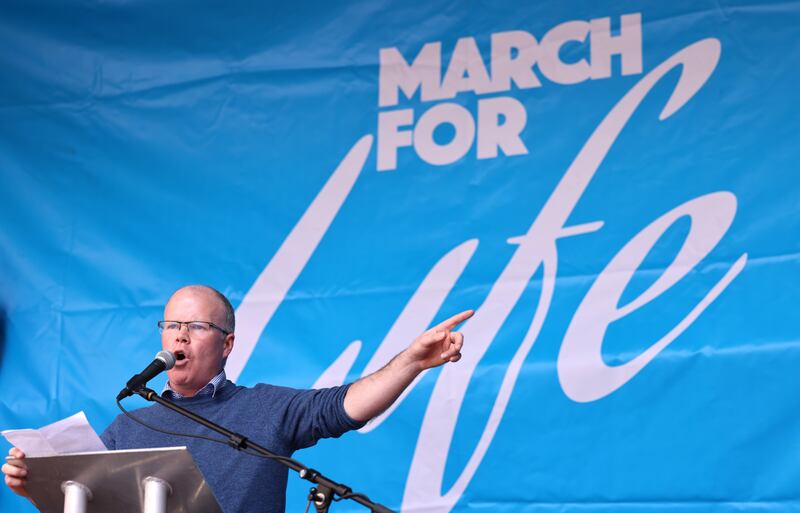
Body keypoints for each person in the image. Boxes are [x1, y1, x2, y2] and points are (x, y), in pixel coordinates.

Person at [3, 285, 472, 512]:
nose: (180, 336)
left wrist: (410, 360)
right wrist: (37, 483)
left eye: (196, 326)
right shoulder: (128, 426)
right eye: (171, 325)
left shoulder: (265, 408)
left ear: (226, 344)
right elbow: (89, 503)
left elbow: (345, 406)